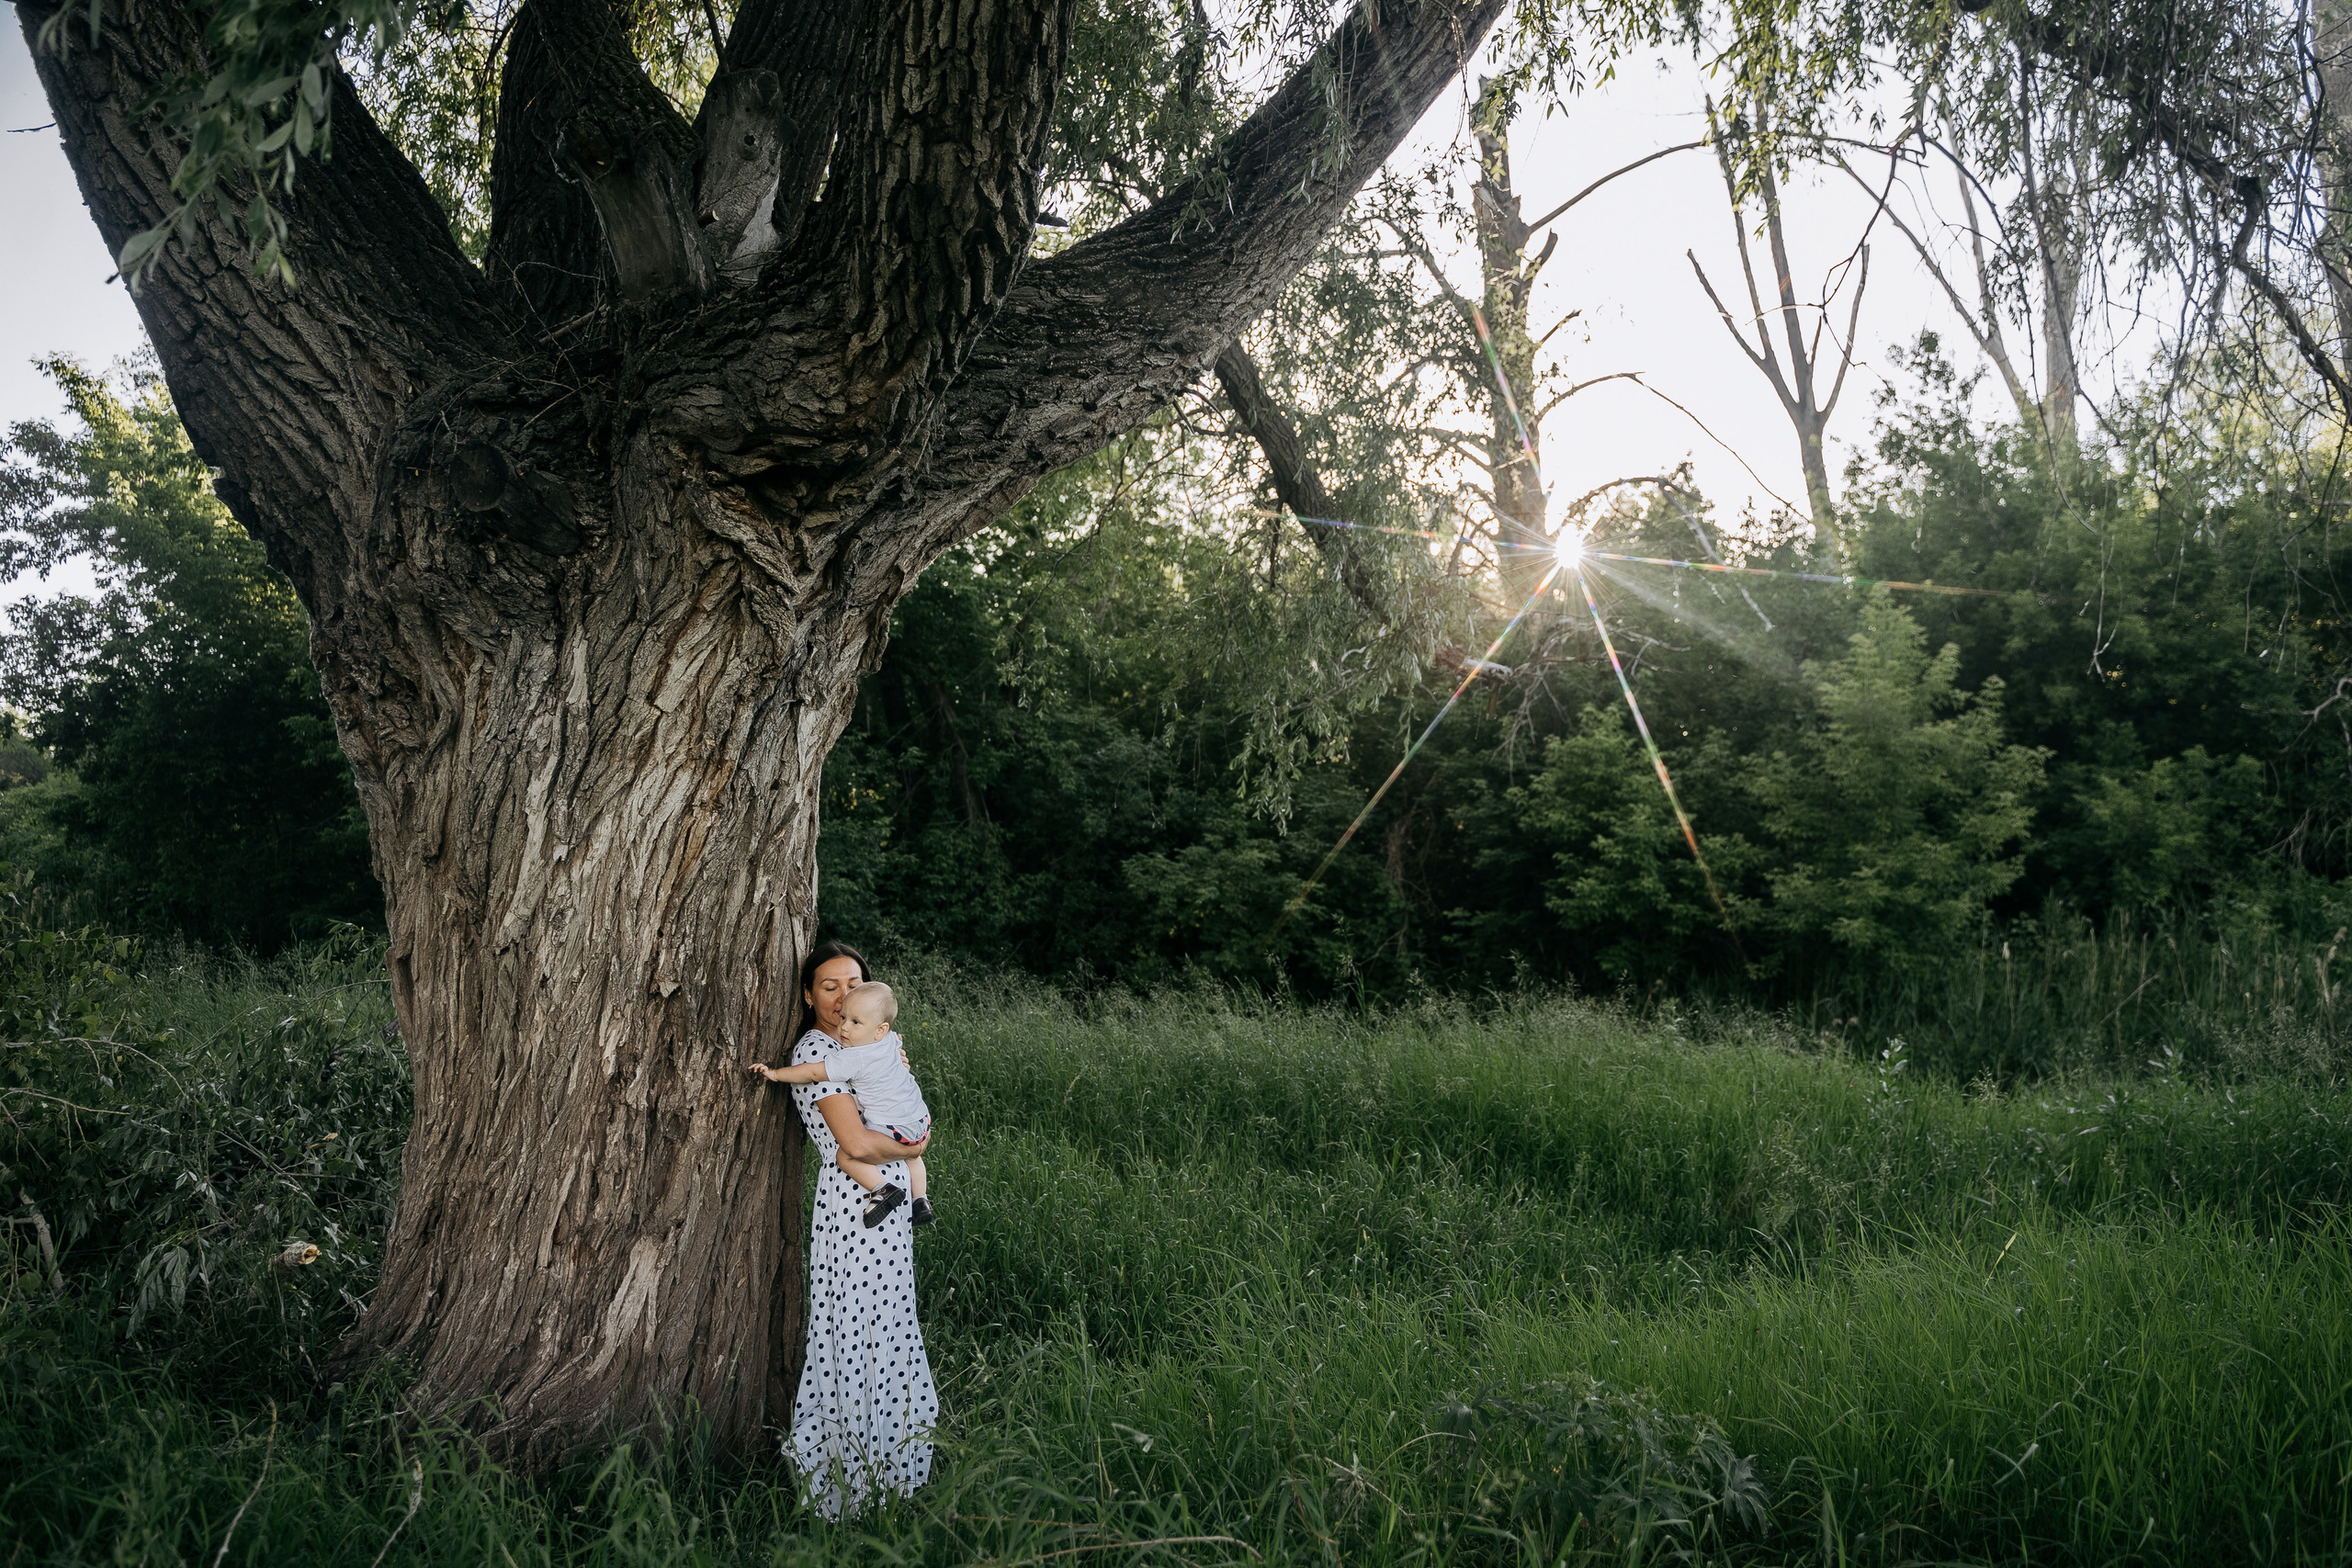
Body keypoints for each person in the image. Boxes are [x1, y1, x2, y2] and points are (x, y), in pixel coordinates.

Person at [758, 941, 937, 1518]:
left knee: (888, 1321)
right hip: (855, 1203)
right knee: (853, 1330)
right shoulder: (815, 1051)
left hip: (889, 1208)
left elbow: (905, 1112)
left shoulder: (873, 1043)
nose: (840, 996)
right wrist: (916, 1145)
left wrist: (914, 1142)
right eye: (828, 986)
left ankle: (894, 1468)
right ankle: (846, 1479)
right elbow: (856, 1144)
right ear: (808, 995)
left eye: (851, 983)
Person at [748, 979, 935, 1227]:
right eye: (844, 1017)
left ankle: (882, 1188)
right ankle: (920, 1199)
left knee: (844, 1157)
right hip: (920, 1120)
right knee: (914, 1158)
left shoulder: (853, 1057)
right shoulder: (889, 1040)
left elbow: (814, 1073)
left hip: (893, 1129)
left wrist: (775, 1074)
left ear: (879, 1029)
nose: (844, 1027)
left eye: (855, 1022)